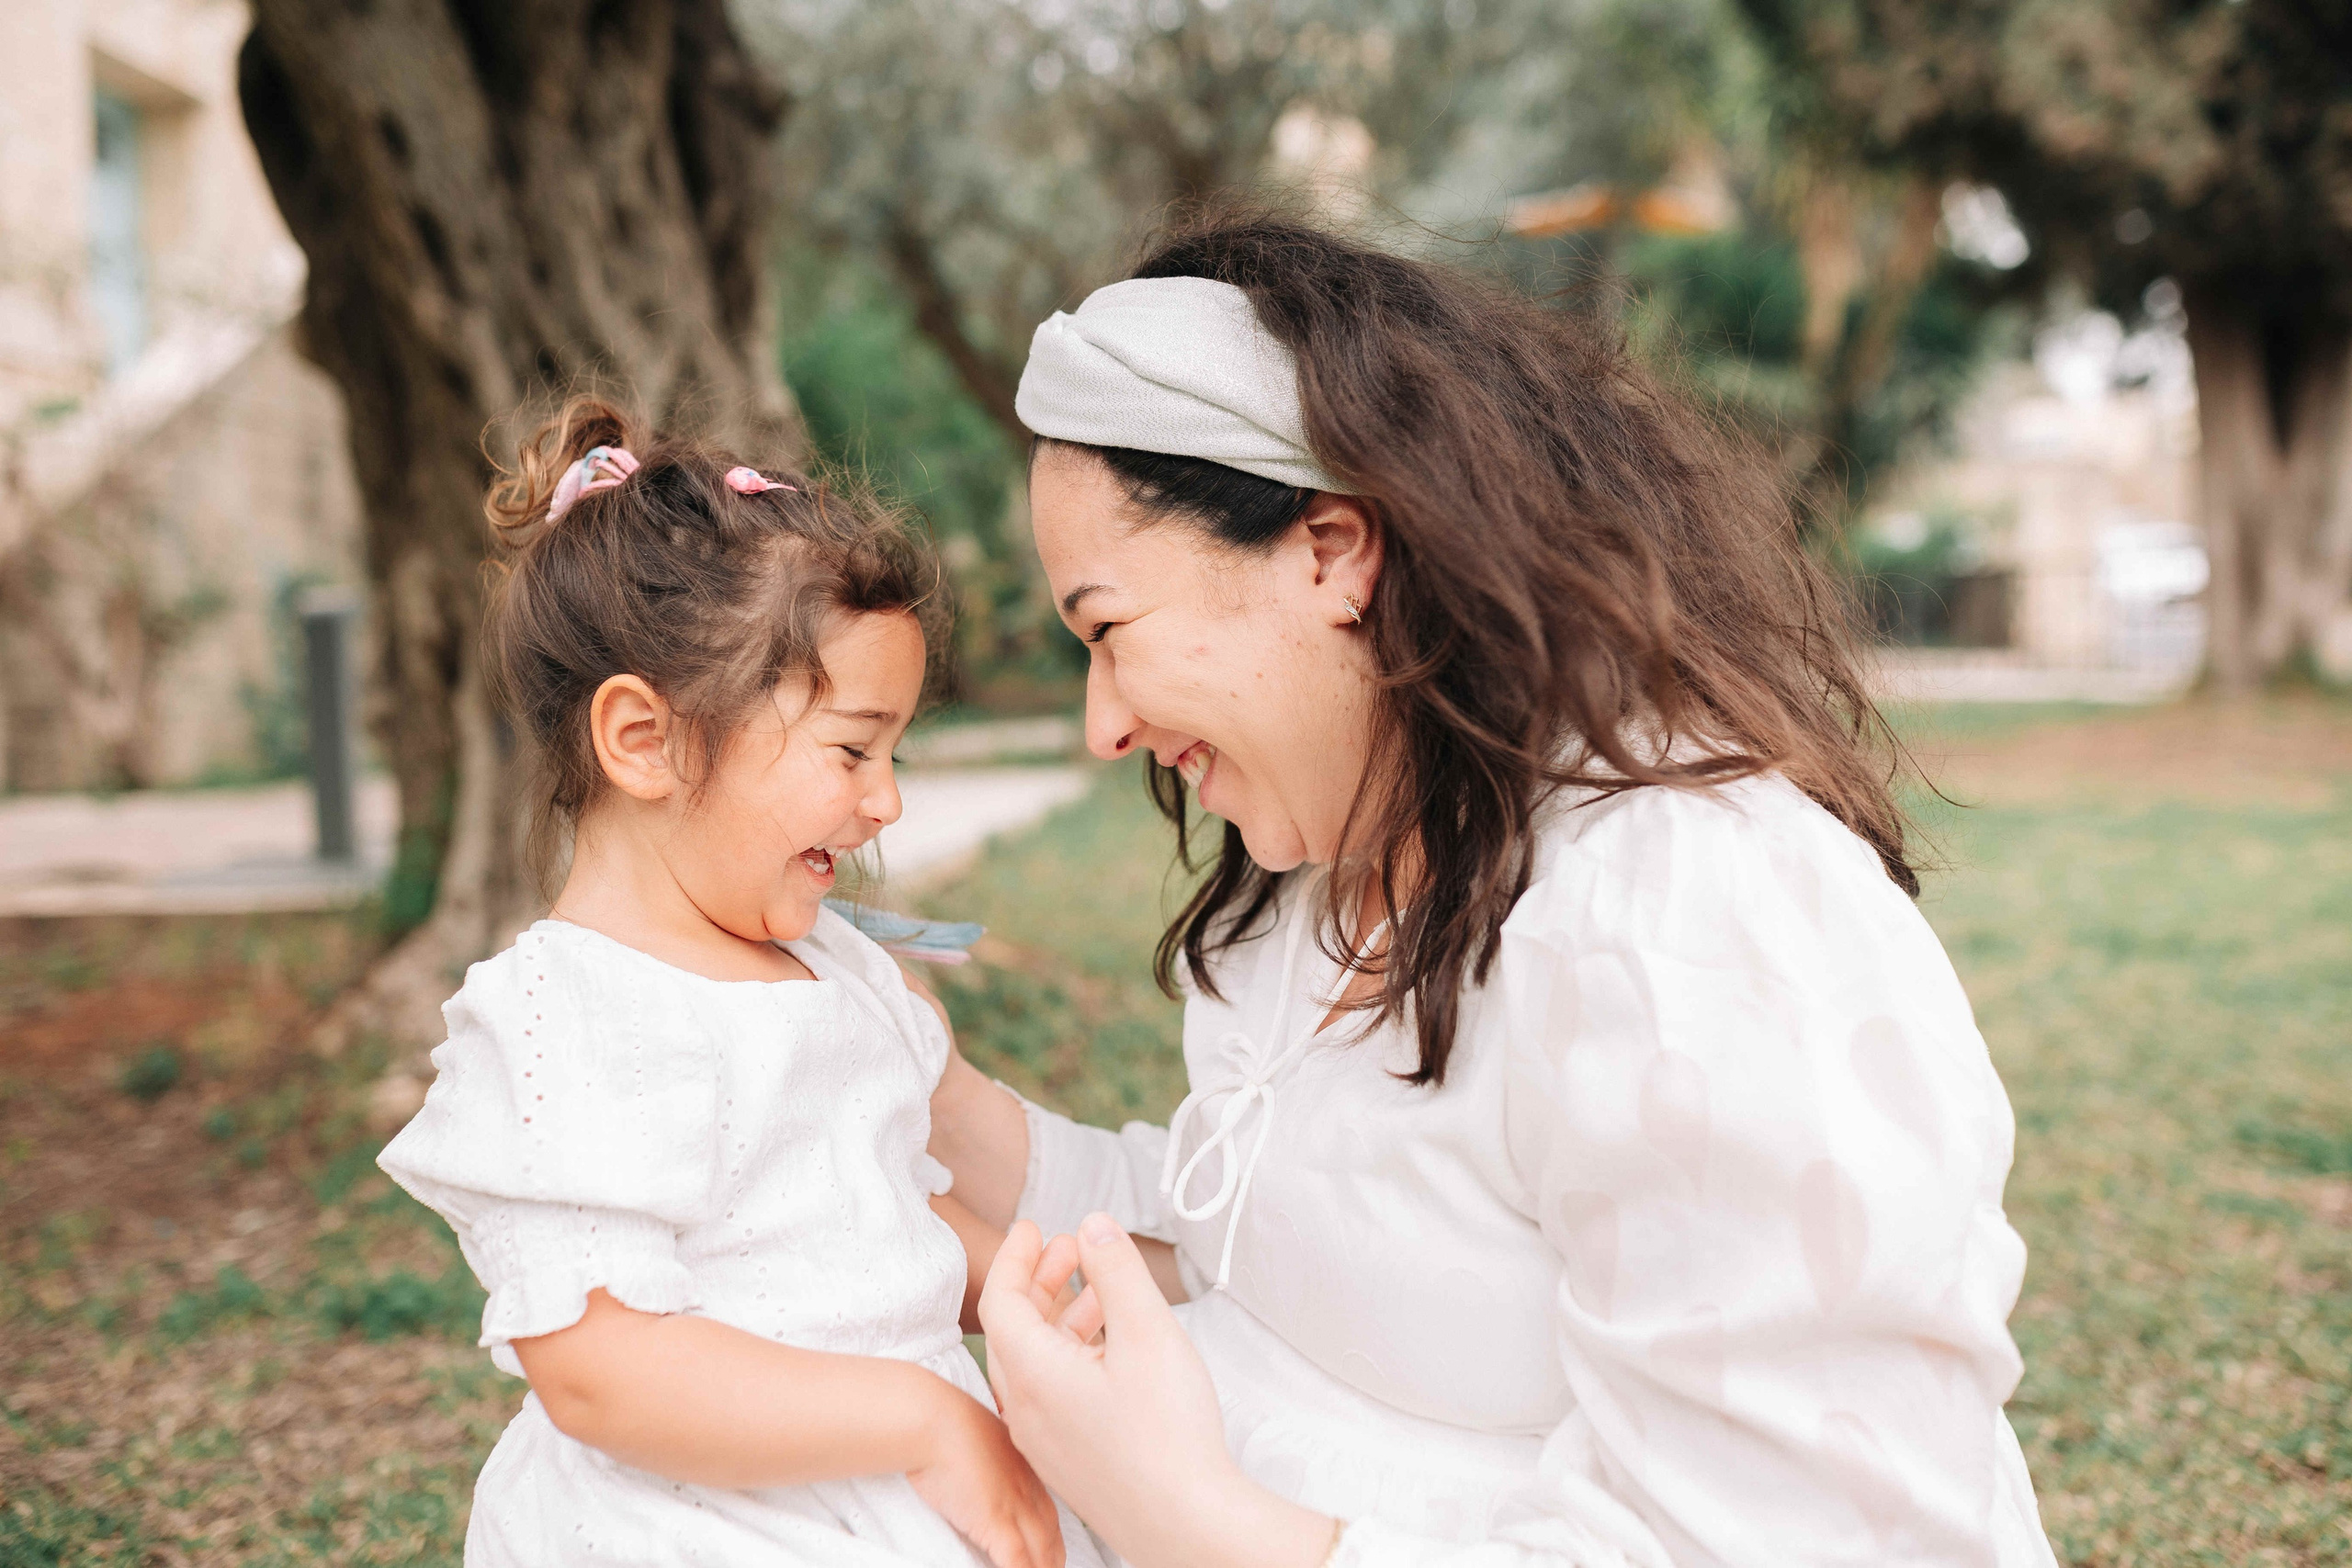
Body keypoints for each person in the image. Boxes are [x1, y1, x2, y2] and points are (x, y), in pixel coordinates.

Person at [927, 215, 2061, 1567]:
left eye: (1107, 630)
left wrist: (1184, 1515)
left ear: (1333, 551)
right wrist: (909, 1079)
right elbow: (1278, 1232)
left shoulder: (1690, 917)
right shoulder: (1332, 860)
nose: (1103, 725)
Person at [378, 399, 1090, 1568]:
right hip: (701, 1516)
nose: (887, 800)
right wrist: (922, 1421)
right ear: (645, 741)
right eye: (853, 748)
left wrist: (1023, 1289)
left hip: (906, 1478)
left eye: (894, 752)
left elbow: (881, 1218)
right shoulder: (569, 1022)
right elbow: (607, 1375)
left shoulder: (836, 965)